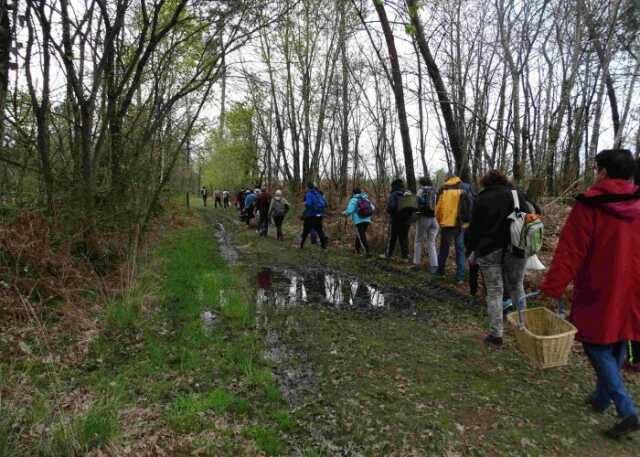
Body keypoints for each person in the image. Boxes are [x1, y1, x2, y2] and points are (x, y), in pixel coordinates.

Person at [540, 149, 640, 439]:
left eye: (597, 168)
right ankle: (601, 398)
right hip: (633, 287)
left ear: (604, 172)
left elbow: (570, 252)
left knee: (596, 345)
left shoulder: (590, 205)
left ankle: (627, 410)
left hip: (601, 286)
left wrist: (552, 288)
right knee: (619, 336)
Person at [466, 170, 532, 346]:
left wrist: (471, 250)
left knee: (494, 291)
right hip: (516, 248)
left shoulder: (482, 198)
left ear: (485, 182)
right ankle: (523, 328)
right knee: (517, 286)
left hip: (489, 250)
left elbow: (474, 229)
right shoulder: (516, 194)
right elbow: (531, 218)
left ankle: (496, 335)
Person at [435, 175, 470, 283]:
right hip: (461, 224)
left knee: (444, 249)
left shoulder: (443, 188)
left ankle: (440, 272)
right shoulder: (466, 187)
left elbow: (438, 209)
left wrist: (440, 221)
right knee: (460, 250)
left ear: (447, 179)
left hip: (446, 224)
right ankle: (460, 277)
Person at [382, 178, 412, 260]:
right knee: (404, 238)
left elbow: (391, 207)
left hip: (396, 220)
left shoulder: (394, 194)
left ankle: (388, 254)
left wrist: (389, 210)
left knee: (392, 238)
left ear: (394, 186)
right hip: (407, 220)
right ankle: (405, 257)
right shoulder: (407, 193)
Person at [413, 176, 439, 272]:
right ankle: (434, 266)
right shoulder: (435, 191)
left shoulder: (421, 191)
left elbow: (416, 204)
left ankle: (416, 264)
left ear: (421, 183)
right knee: (431, 242)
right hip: (435, 219)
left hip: (424, 218)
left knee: (418, 241)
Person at [343, 187, 373, 256]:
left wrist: (344, 213)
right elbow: (373, 208)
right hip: (367, 219)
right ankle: (357, 250)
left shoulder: (354, 199)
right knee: (359, 235)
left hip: (359, 220)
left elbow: (349, 210)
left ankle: (368, 252)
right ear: (360, 192)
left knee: (361, 236)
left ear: (354, 193)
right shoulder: (365, 198)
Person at [300, 182, 328, 249]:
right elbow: (325, 203)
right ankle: (324, 245)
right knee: (320, 230)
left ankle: (301, 244)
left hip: (310, 215)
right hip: (319, 215)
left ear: (308, 187)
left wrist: (305, 203)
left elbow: (309, 204)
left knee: (306, 230)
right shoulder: (318, 193)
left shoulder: (309, 194)